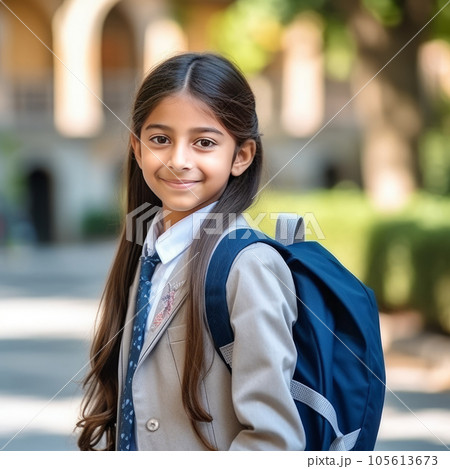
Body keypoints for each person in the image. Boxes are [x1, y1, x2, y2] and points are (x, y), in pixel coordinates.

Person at [76, 52, 305, 451]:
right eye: (160, 139)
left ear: (241, 156)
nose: (178, 160)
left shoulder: (247, 266)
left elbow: (274, 441)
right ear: (136, 147)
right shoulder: (148, 254)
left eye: (204, 142)